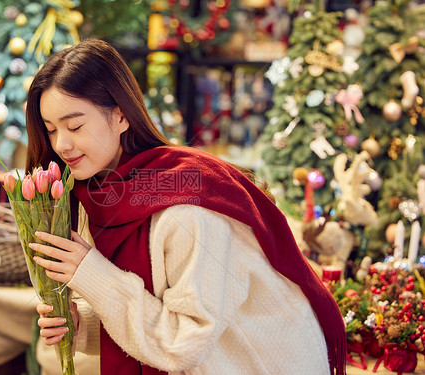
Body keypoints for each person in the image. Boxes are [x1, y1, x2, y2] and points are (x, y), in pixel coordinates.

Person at [24, 38, 346, 375]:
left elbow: (184, 345)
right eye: (51, 130)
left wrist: (91, 272)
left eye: (75, 126)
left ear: (120, 116)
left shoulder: (186, 208)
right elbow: (165, 311)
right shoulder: (105, 194)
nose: (61, 144)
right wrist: (84, 327)